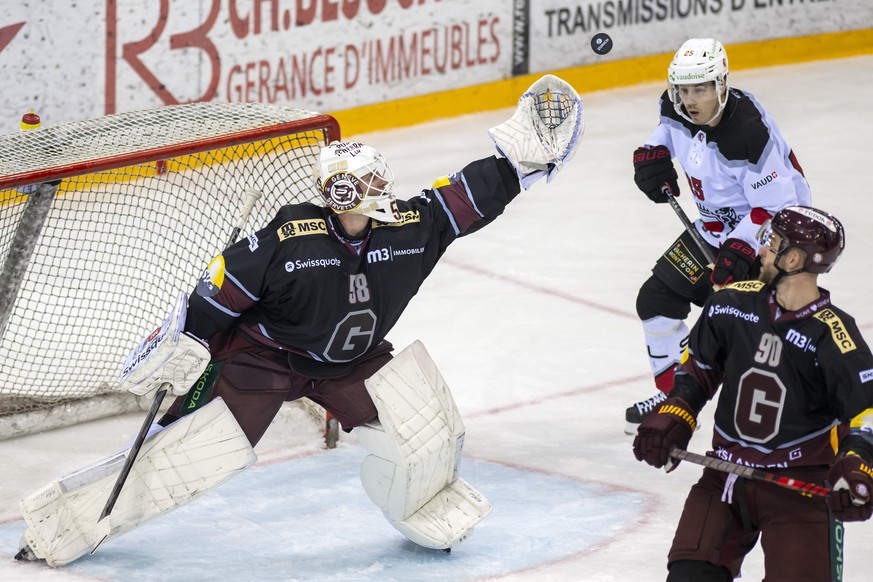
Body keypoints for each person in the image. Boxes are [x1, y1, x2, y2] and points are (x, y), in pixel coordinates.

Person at [16, 75, 584, 567]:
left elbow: (459, 200)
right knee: (185, 454)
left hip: (350, 365)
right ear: (345, 193)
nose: (385, 191)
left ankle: (421, 506)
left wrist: (515, 164)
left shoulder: (408, 229)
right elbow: (216, 295)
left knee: (427, 433)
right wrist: (182, 339)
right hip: (262, 363)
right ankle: (60, 523)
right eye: (373, 184)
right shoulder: (288, 239)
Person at [632, 205, 873, 581]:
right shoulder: (731, 303)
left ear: (792, 259)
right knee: (688, 575)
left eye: (772, 243)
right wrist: (675, 413)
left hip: (800, 487)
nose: (761, 250)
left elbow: (864, 414)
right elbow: (698, 370)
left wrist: (857, 463)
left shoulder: (834, 336)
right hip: (725, 474)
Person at [625, 38, 812, 434]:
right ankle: (674, 399)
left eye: (702, 89)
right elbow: (667, 130)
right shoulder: (675, 107)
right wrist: (652, 153)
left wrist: (743, 247)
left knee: (759, 336)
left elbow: (777, 206)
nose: (690, 100)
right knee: (656, 299)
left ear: (722, 85)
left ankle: (802, 418)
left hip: (772, 240)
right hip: (713, 231)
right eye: (684, 89)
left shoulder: (746, 132)